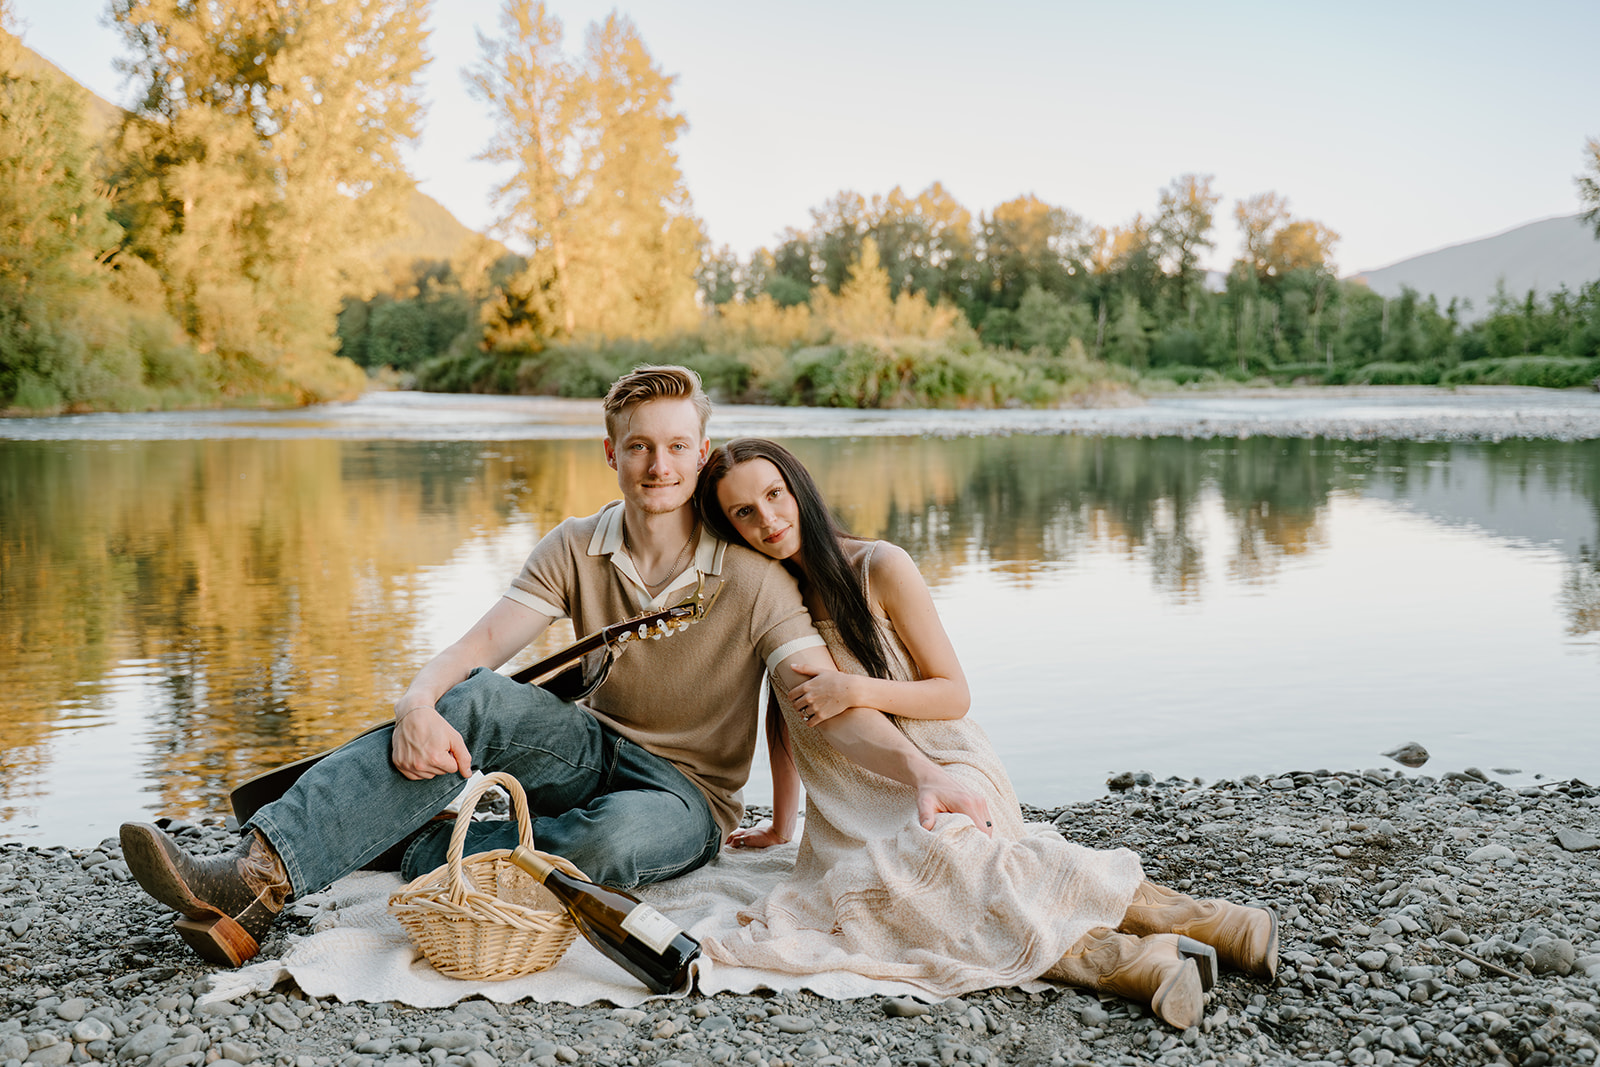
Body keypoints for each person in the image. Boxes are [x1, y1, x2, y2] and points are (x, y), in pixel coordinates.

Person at [119, 366, 989, 968]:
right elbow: (480, 648)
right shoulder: (574, 546)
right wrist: (421, 698)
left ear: (700, 451)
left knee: (612, 841)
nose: (660, 464)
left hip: (687, 795)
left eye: (679, 446)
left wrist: (921, 769)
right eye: (639, 446)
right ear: (611, 452)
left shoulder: (758, 576)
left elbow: (821, 702)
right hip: (587, 745)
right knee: (482, 701)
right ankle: (252, 885)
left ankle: (418, 846)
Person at [695, 437, 1279, 1030]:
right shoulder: (770, 597)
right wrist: (780, 825)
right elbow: (786, 715)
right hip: (851, 798)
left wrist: (857, 689)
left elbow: (953, 692)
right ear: (729, 526)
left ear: (799, 490)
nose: (767, 519)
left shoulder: (878, 566)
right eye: (744, 512)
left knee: (946, 853)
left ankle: (1201, 927)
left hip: (944, 757)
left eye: (775, 495)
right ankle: (1143, 959)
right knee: (891, 890)